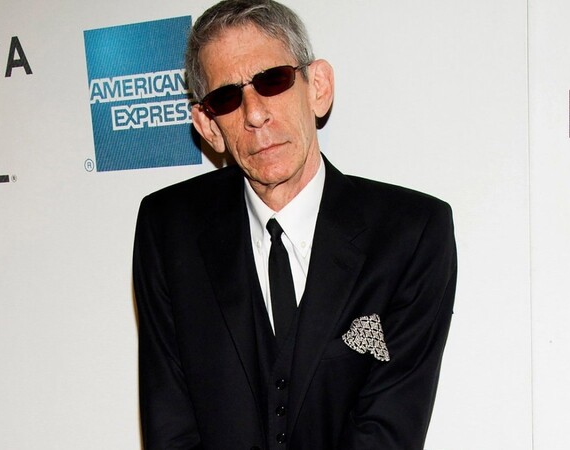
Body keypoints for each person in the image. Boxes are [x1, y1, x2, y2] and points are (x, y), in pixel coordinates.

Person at [132, 1, 457, 449]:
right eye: (227, 97)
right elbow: (171, 425)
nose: (254, 114)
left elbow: (388, 430)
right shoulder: (169, 229)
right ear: (208, 125)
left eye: (273, 81)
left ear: (317, 87)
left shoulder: (411, 233)